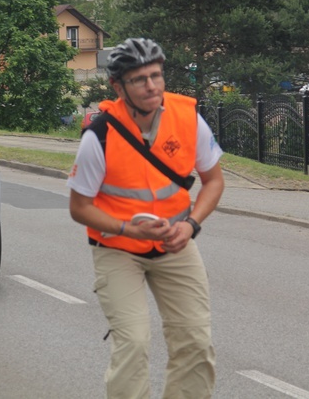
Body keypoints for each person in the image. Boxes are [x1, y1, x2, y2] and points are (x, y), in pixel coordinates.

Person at [67, 38, 225, 399]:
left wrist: (191, 225)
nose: (151, 85)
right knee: (134, 343)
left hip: (175, 244)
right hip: (118, 248)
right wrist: (127, 228)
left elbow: (214, 181)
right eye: (139, 79)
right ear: (118, 87)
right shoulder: (100, 136)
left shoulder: (188, 117)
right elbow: (79, 207)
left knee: (195, 342)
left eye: (156, 75)